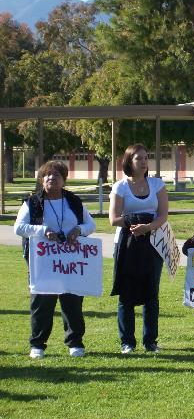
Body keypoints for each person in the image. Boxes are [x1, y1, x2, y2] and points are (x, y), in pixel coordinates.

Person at [14, 161, 96, 359]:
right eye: (48, 175)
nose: (52, 178)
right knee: (42, 303)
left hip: (70, 262)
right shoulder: (32, 203)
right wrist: (43, 231)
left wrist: (79, 230)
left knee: (72, 303)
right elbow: (19, 227)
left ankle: (75, 342)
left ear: (64, 180)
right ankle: (38, 345)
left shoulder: (74, 202)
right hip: (43, 262)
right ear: (42, 180)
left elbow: (90, 225)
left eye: (57, 175)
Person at [109, 144, 168, 354]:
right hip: (126, 244)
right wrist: (134, 222)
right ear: (129, 162)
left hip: (153, 244)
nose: (143, 162)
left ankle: (150, 341)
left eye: (146, 158)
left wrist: (148, 227)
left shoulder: (157, 184)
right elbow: (113, 219)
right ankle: (127, 342)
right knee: (126, 294)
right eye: (138, 159)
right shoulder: (120, 187)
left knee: (151, 293)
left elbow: (163, 215)